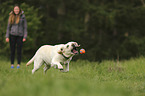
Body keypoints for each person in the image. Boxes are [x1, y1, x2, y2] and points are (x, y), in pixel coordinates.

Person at [6, 4, 27, 69]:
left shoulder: (23, 17)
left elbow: (25, 27)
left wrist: (24, 36)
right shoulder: (11, 16)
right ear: (14, 10)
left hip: (20, 36)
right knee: (12, 50)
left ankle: (18, 64)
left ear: (19, 10)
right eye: (15, 9)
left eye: (17, 9)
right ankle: (12, 64)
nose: (16, 10)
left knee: (19, 51)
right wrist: (7, 36)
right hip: (12, 35)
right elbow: (8, 27)